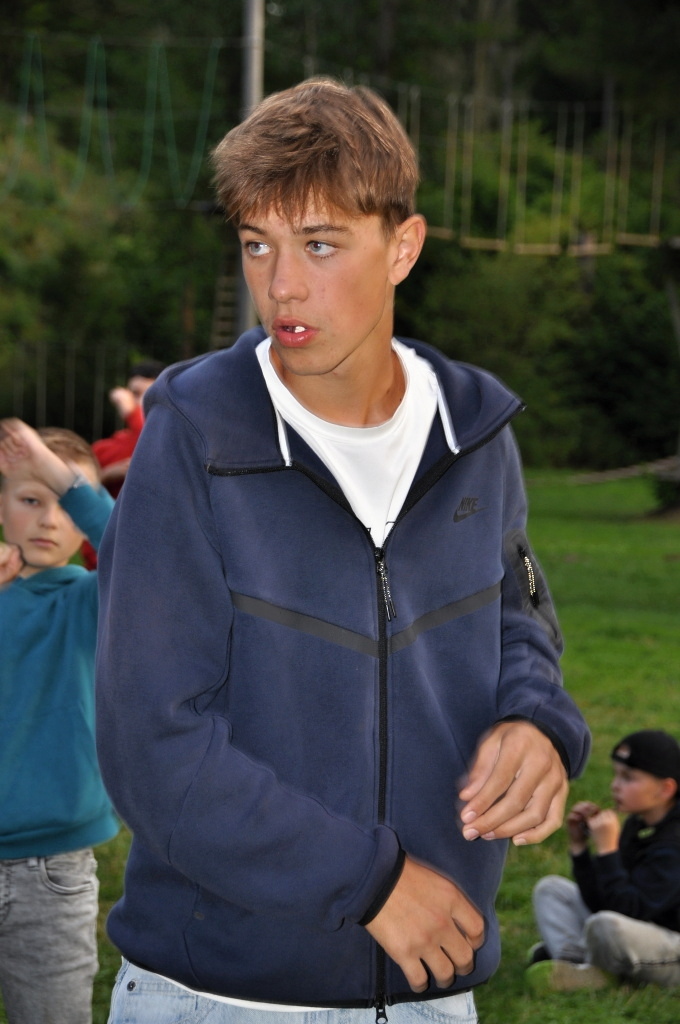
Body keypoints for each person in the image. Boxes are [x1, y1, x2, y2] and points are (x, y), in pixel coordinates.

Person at [95, 77, 590, 1024]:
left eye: (319, 244)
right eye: (258, 244)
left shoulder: (475, 432)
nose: (281, 285)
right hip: (220, 995)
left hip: (433, 985)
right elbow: (150, 745)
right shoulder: (194, 440)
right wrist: (368, 884)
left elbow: (517, 620)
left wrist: (537, 724)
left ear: (403, 246)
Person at [0, 418, 119, 1024]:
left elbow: (135, 547)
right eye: (30, 499)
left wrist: (53, 471)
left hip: (53, 871)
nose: (49, 518)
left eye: (66, 501)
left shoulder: (95, 599)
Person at [527, 729, 680, 991]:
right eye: (616, 774)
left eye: (628, 778)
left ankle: (594, 969)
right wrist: (580, 849)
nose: (615, 785)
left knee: (606, 926)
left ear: (665, 788)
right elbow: (603, 900)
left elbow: (629, 911)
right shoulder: (638, 824)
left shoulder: (675, 842)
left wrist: (608, 852)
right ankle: (575, 964)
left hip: (671, 944)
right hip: (637, 930)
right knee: (551, 890)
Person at [92, 359, 166, 499]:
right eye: (136, 394)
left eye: (151, 394)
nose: (141, 402)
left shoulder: (175, 442)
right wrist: (106, 476)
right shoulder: (102, 449)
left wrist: (131, 412)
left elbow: (153, 439)